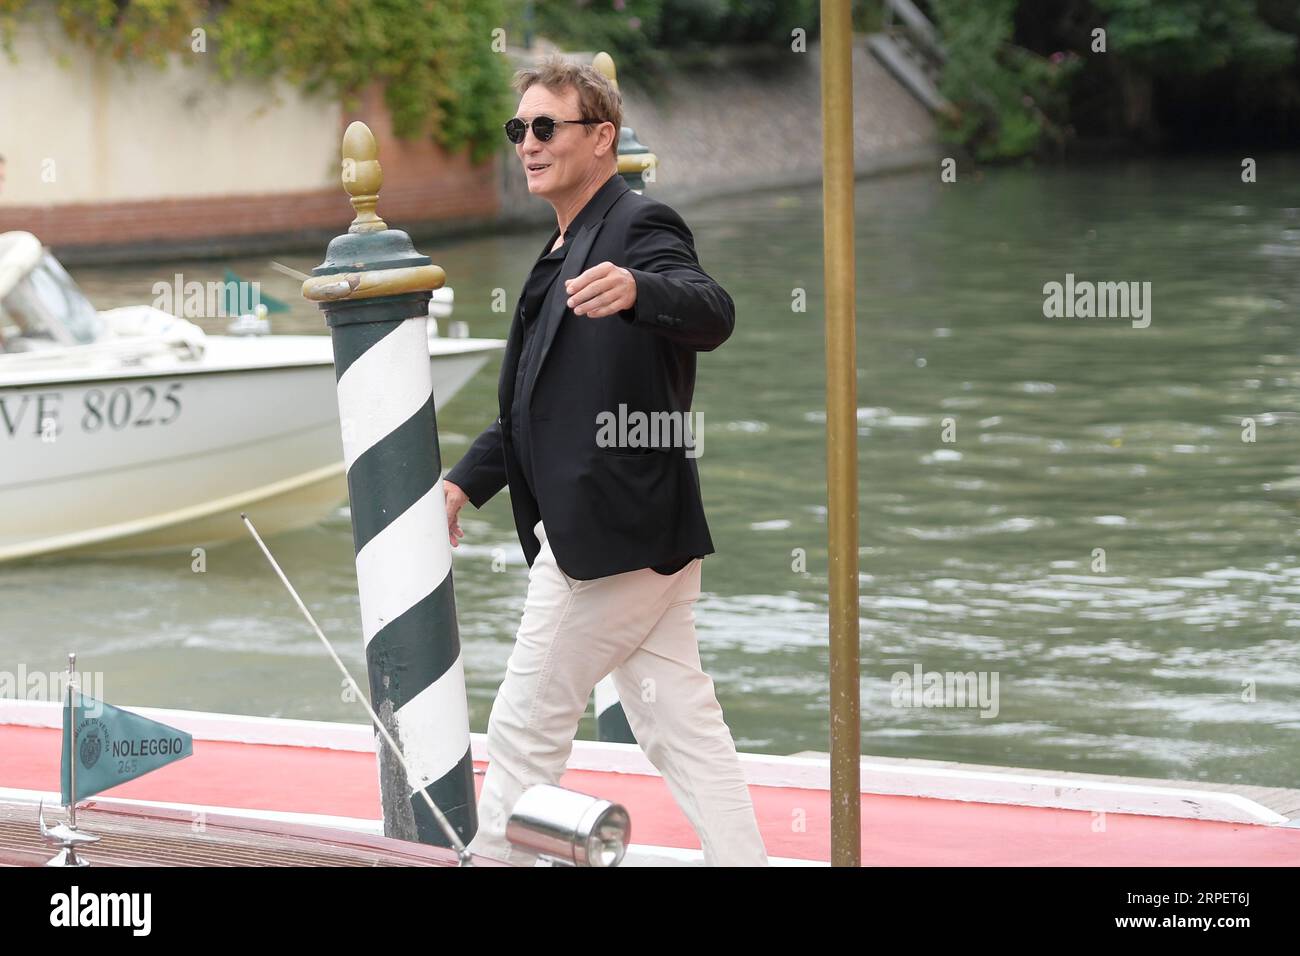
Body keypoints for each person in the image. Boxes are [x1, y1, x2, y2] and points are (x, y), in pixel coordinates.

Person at [443, 56, 768, 867]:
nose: (528, 142)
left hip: (607, 543)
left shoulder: (636, 227)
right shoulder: (561, 246)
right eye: (519, 128)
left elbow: (713, 310)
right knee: (686, 736)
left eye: (546, 126)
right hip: (640, 540)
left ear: (603, 139)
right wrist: (462, 482)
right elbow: (530, 408)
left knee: (525, 726)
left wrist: (639, 290)